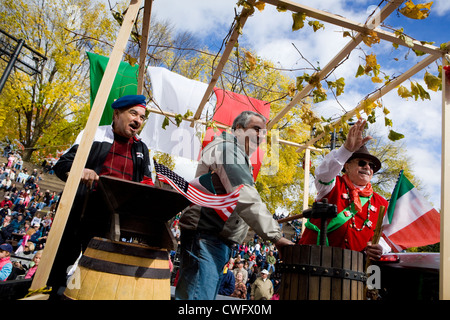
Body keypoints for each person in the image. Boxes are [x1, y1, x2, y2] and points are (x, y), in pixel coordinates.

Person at [175, 110, 293, 300]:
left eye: (264, 132)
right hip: (207, 235)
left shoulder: (233, 152)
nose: (261, 135)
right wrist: (276, 237)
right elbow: (243, 195)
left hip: (212, 236)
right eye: (256, 129)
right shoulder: (228, 149)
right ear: (238, 129)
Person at [48, 94, 154, 297]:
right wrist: (81, 171)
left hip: (112, 221)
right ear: (116, 113)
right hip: (80, 211)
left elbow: (146, 182)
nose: (138, 120)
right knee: (60, 265)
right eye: (133, 113)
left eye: (142, 117)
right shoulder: (93, 134)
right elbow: (62, 165)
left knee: (97, 274)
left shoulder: (142, 148)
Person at [299, 119, 389, 260]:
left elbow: (388, 235)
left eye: (371, 166)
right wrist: (346, 150)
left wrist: (381, 247)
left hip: (352, 272)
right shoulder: (332, 184)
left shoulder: (382, 203)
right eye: (361, 163)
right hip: (313, 261)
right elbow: (323, 173)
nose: (367, 168)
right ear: (346, 166)